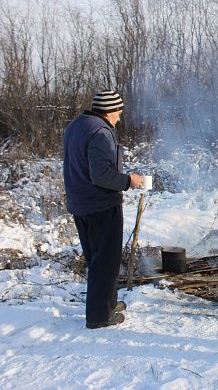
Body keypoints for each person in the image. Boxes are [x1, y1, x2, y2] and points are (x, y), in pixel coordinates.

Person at [63, 90, 143, 329]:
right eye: (118, 113)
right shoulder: (100, 132)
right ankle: (99, 317)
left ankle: (108, 303)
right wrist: (130, 181)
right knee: (105, 261)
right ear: (108, 111)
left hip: (80, 203)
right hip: (100, 205)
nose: (119, 118)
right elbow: (102, 175)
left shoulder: (77, 125)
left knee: (97, 258)